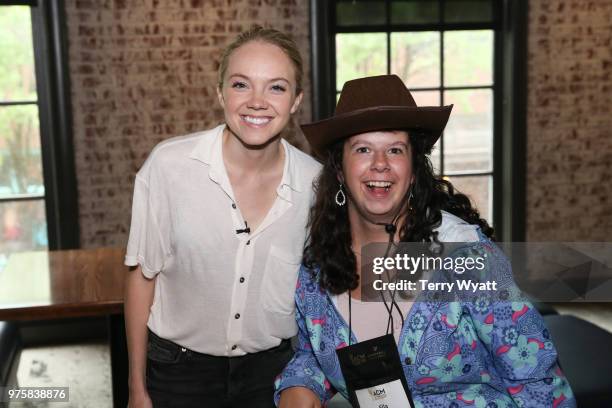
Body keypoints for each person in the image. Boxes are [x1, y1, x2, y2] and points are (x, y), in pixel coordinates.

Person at [275, 75, 576, 408]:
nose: (380, 164)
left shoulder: (465, 255)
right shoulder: (316, 268)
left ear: (414, 168)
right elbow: (314, 353)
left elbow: (537, 381)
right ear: (340, 170)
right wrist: (299, 385)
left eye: (395, 149)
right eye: (363, 149)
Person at [123, 26, 321, 408]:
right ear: (220, 93)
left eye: (276, 87)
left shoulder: (316, 184)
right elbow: (140, 278)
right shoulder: (169, 166)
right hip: (177, 374)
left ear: (296, 100)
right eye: (241, 85)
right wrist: (136, 389)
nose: (257, 101)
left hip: (270, 376)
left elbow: (321, 293)